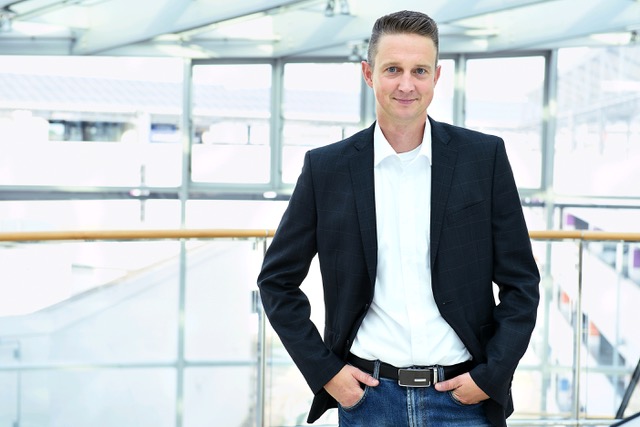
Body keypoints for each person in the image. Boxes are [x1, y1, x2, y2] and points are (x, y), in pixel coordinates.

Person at [257, 9, 540, 427]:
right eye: (393, 69)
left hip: (462, 401)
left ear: (436, 77)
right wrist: (327, 373)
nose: (407, 84)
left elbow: (521, 284)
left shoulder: (484, 159)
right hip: (368, 401)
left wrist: (491, 376)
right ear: (368, 74)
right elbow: (276, 281)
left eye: (419, 71)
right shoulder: (327, 169)